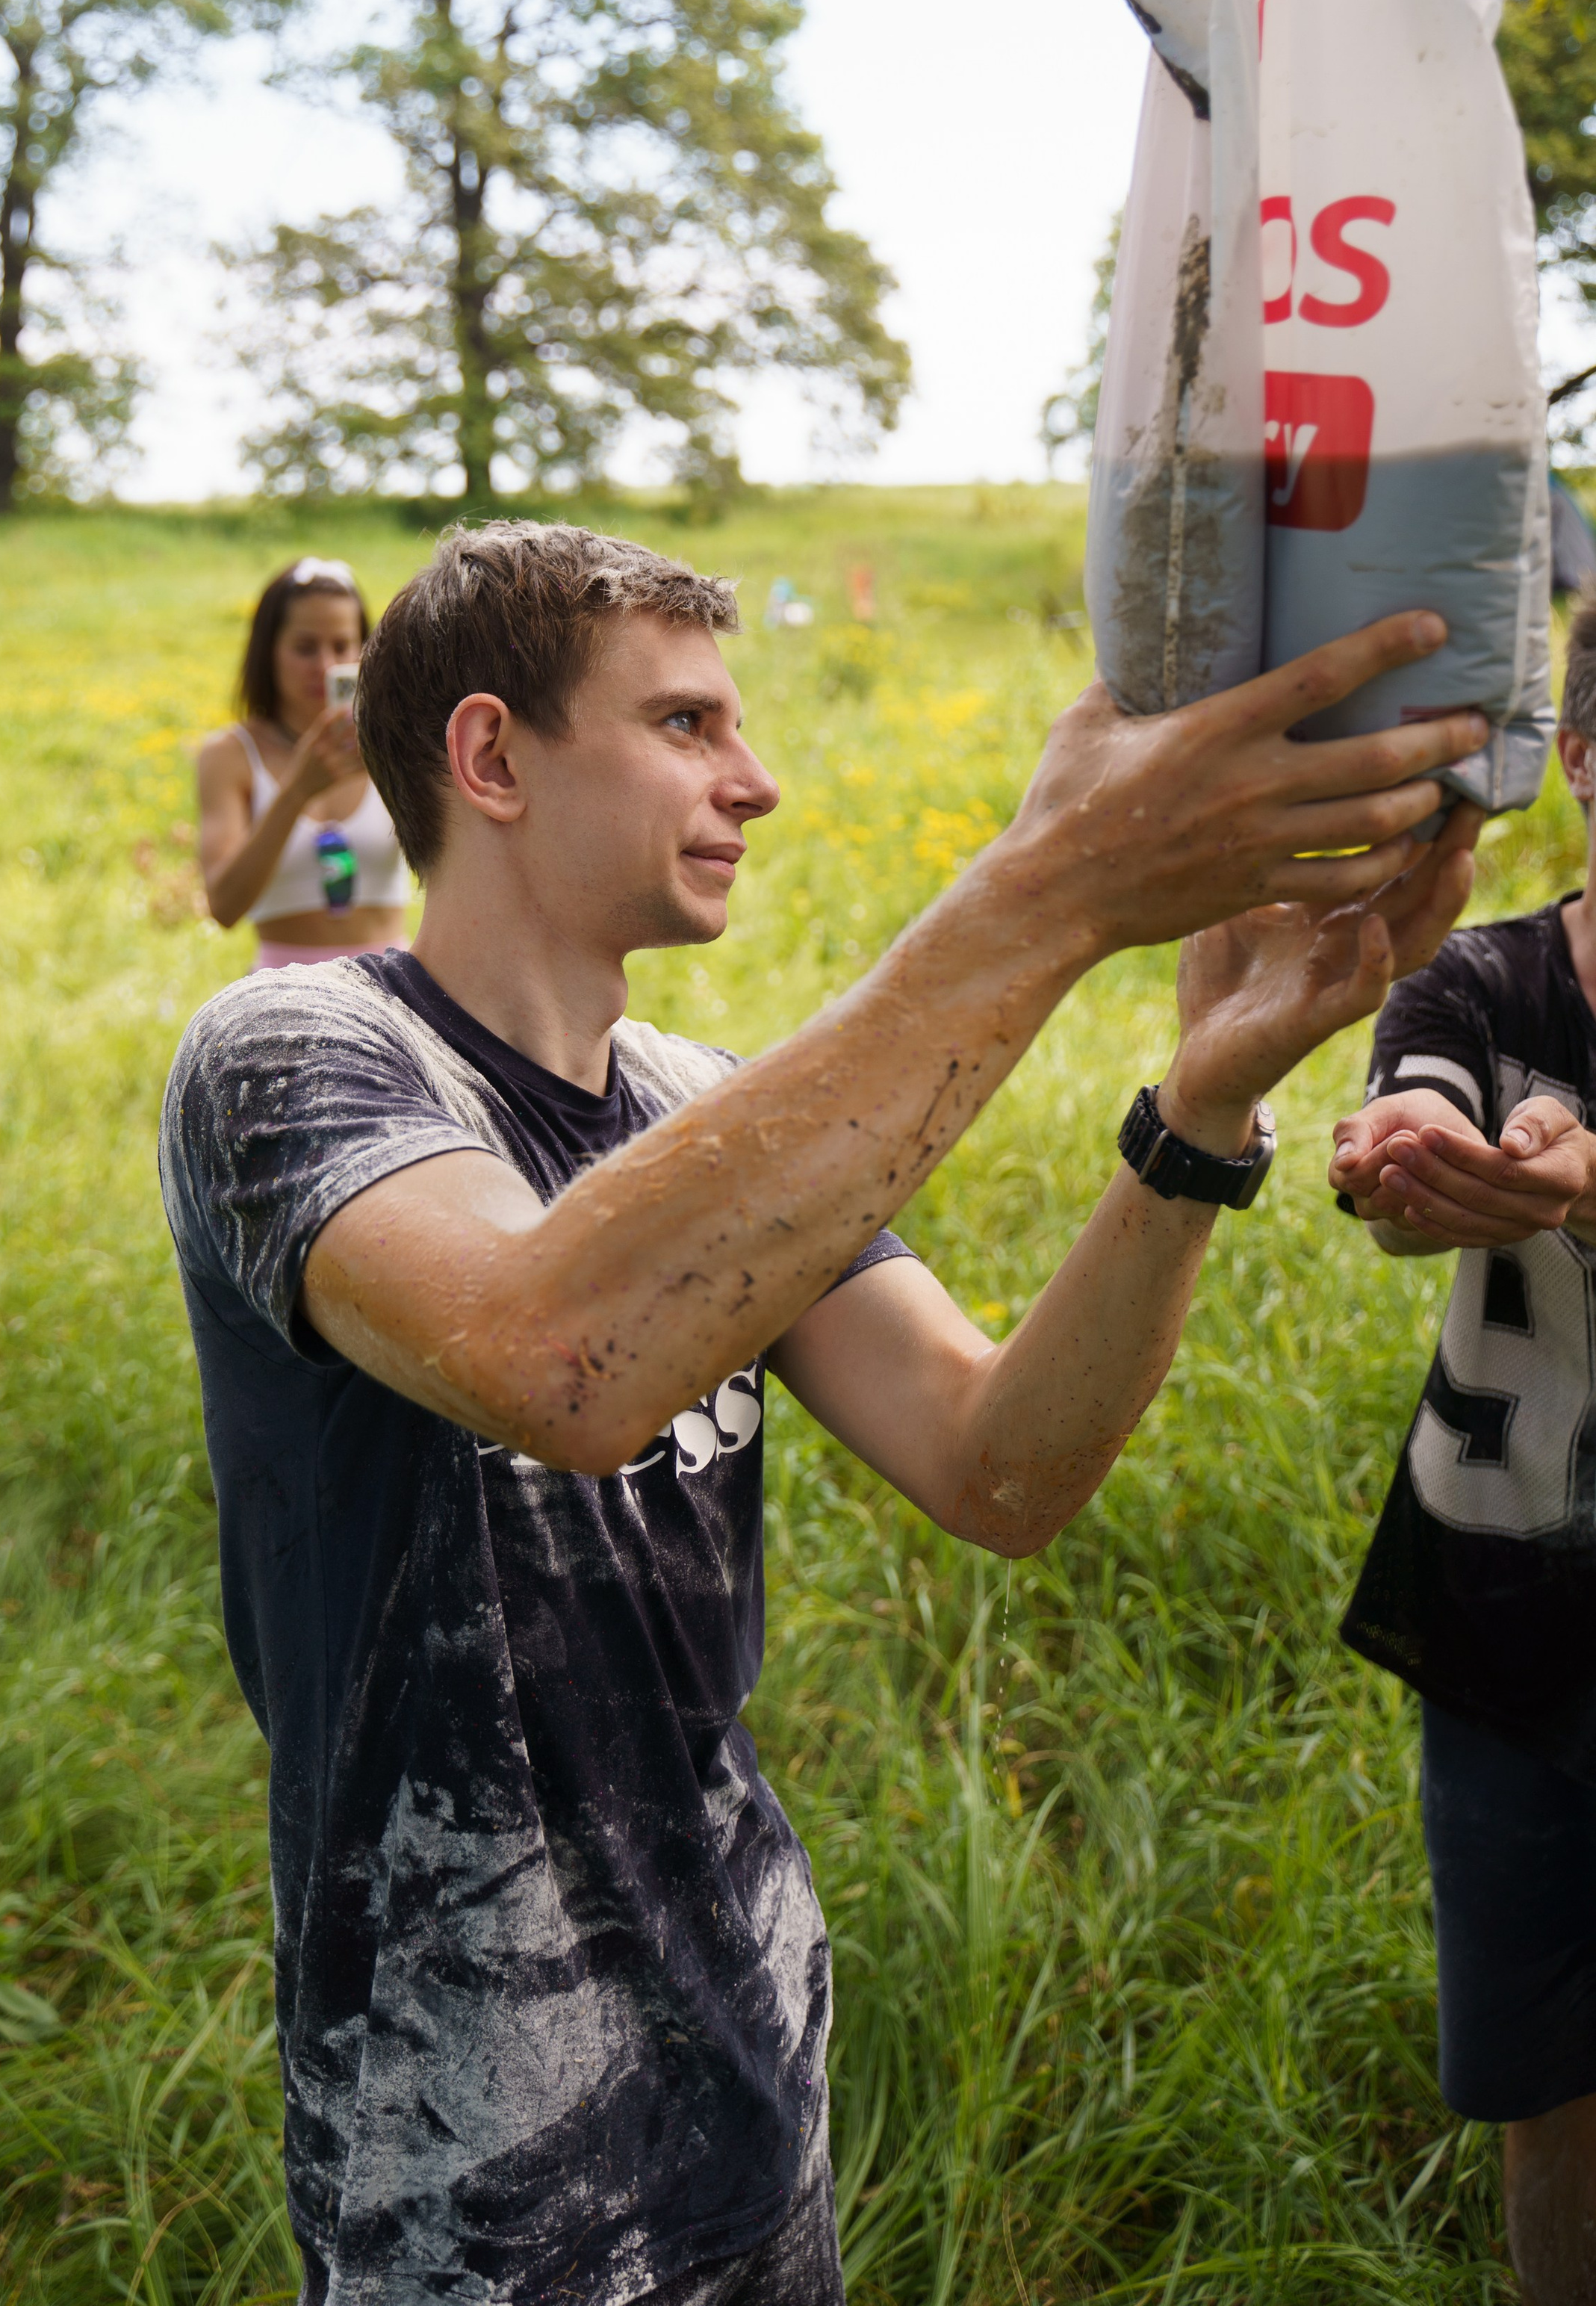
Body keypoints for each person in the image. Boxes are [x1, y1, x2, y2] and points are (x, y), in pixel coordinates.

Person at [159, 521, 1487, 2306]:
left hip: (752, 2071)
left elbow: (997, 1464)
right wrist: (1047, 888)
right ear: (490, 757)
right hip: (462, 2161)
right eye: (684, 723)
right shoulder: (289, 1056)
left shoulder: (698, 1105)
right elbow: (551, 1354)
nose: (754, 780)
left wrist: (1200, 1111)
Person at [1330, 592, 1596, 2306]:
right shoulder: (1478, 978)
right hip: (1503, 1624)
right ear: (1574, 759)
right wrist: (1410, 1153)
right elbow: (1412, 1099)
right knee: (1536, 2076)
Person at [197, 556, 412, 970]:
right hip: (283, 988)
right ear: (269, 651)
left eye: (342, 646)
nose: (325, 666)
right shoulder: (230, 754)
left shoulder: (392, 743)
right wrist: (296, 791)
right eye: (305, 648)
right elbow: (223, 906)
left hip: (389, 985)